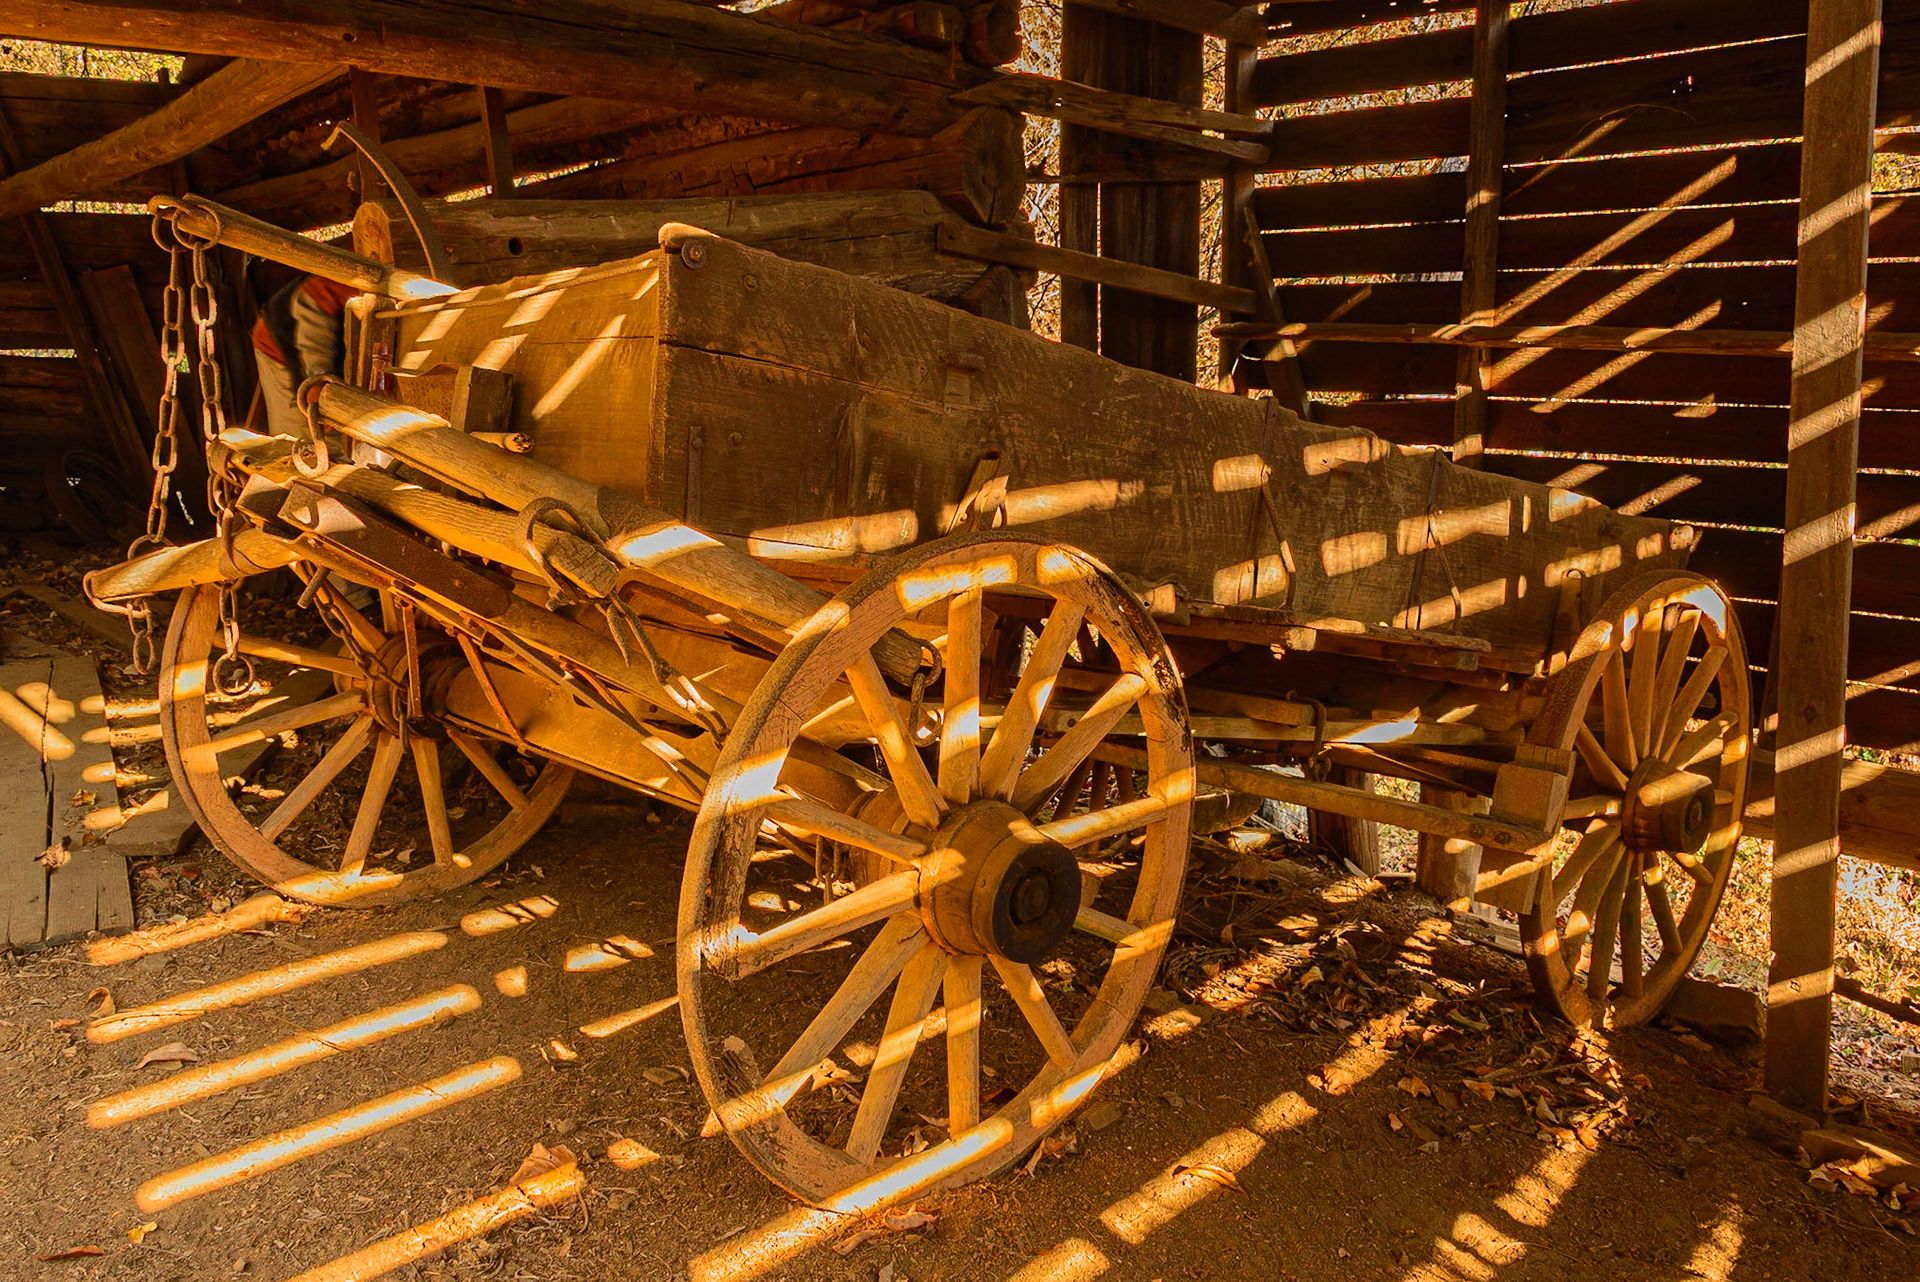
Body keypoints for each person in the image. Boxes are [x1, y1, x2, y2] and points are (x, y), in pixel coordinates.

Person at [250, 274, 357, 437]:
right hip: (281, 342)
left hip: (333, 347)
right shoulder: (356, 280)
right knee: (300, 439)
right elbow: (315, 297)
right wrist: (319, 378)